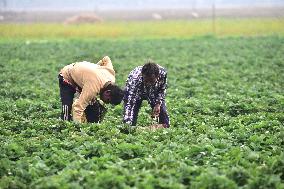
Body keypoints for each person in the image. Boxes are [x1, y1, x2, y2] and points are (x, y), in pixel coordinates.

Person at [58, 56, 124, 123]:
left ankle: (90, 124)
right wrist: (77, 127)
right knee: (67, 108)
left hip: (83, 78)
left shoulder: (111, 77)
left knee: (94, 108)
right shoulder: (92, 88)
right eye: (108, 100)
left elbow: (106, 59)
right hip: (67, 76)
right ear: (107, 92)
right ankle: (64, 124)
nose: (106, 102)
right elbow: (77, 108)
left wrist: (96, 68)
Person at [123, 60, 170, 128]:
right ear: (142, 75)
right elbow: (129, 103)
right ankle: (131, 127)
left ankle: (162, 128)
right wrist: (127, 125)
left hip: (154, 91)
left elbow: (162, 89)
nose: (148, 83)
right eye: (146, 81)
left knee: (164, 119)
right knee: (130, 120)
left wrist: (158, 104)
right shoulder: (135, 80)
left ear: (157, 77)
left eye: (151, 81)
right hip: (137, 92)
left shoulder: (162, 73)